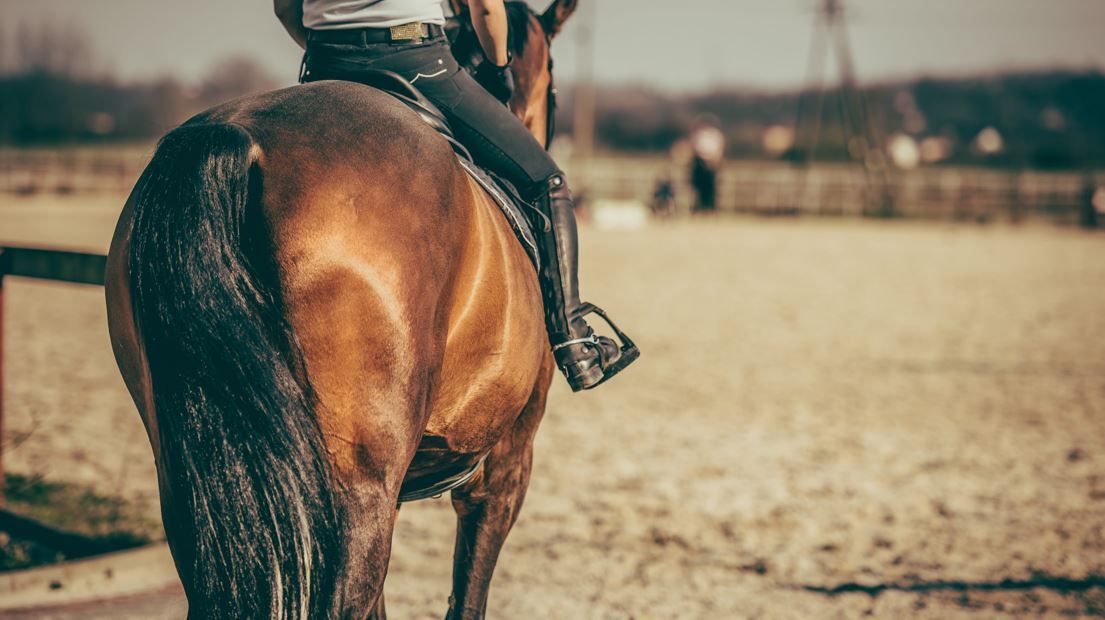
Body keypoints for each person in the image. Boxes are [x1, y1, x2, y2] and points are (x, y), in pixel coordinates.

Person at [273, 0, 637, 391]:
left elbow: (284, 9)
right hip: (416, 60)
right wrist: (499, 71)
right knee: (546, 181)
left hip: (326, 63)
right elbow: (486, 10)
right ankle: (574, 340)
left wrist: (330, 48)